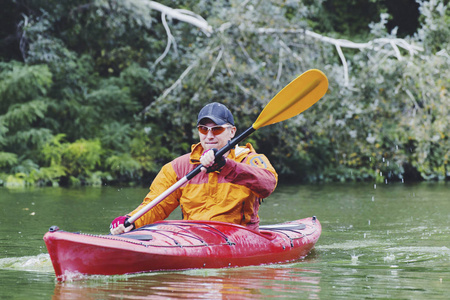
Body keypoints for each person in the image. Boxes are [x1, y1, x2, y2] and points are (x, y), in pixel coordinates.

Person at [110, 102, 278, 234]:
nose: (209, 135)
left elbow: (268, 184)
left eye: (217, 129)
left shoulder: (250, 160)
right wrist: (131, 221)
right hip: (193, 235)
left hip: (239, 236)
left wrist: (227, 166)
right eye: (203, 129)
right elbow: (156, 205)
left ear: (232, 132)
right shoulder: (178, 167)